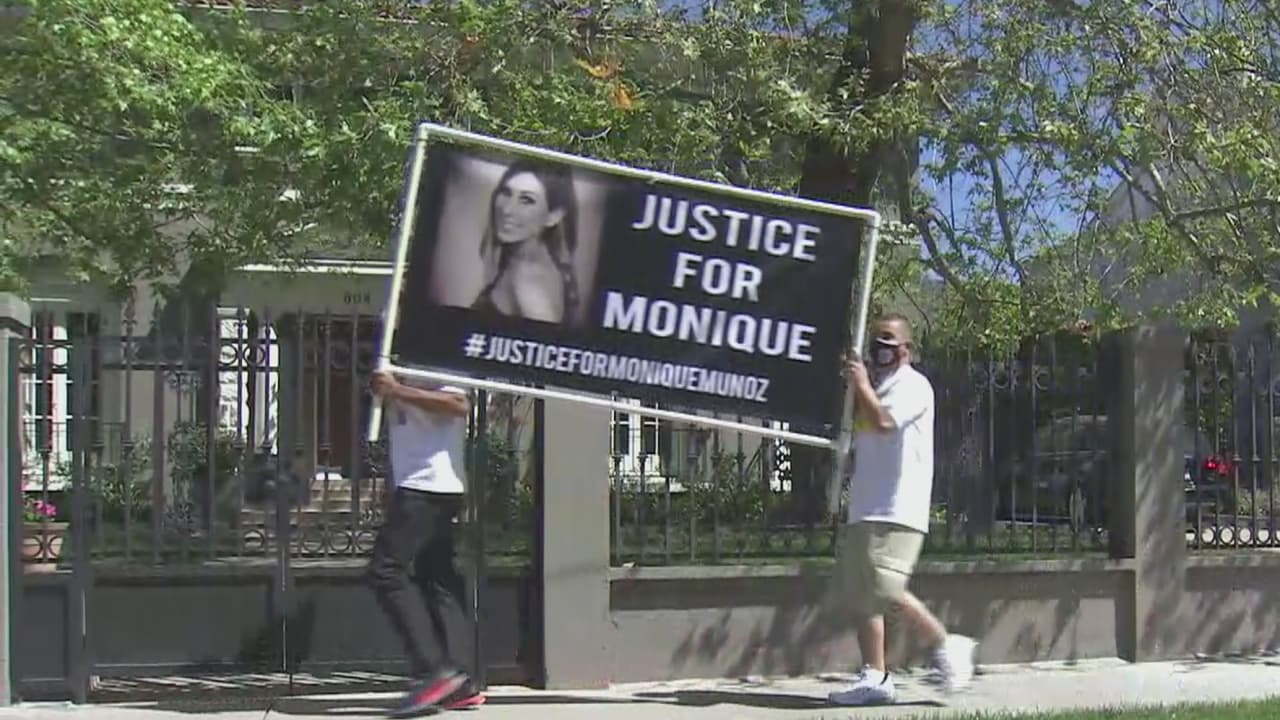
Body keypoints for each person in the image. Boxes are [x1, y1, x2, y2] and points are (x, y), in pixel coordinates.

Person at [828, 314, 978, 706]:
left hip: (898, 508)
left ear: (906, 350)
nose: (882, 346)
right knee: (864, 595)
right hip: (866, 506)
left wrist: (860, 384)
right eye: (877, 339)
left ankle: (947, 645)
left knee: (885, 587)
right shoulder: (874, 389)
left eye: (890, 340)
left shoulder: (913, 387)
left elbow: (882, 422)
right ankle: (875, 677)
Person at [367, 370, 485, 717]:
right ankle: (461, 684)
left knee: (385, 570)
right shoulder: (397, 362)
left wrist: (398, 390)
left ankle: (432, 669)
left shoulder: (434, 360)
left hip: (429, 487)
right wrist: (391, 482)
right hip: (419, 486)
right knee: (438, 578)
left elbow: (457, 404)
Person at [470, 159, 580, 324]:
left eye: (526, 200)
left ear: (553, 216)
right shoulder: (520, 257)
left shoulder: (530, 283)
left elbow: (545, 346)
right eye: (506, 193)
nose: (507, 209)